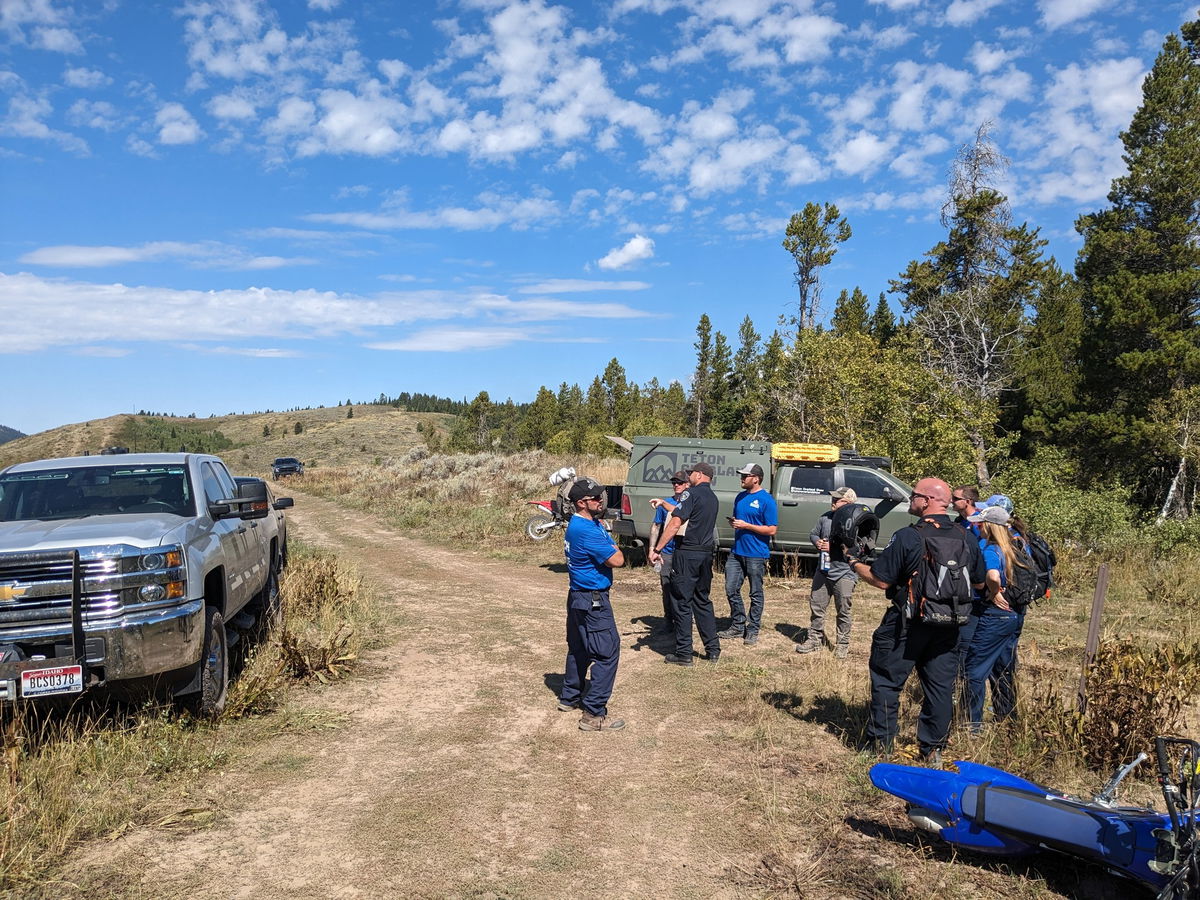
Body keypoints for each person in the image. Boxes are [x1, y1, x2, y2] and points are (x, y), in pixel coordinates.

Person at [847, 478, 986, 762]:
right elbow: (981, 584)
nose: (911, 499)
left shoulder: (909, 536)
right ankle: (933, 749)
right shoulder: (967, 537)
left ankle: (880, 746)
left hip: (907, 624)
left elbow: (881, 580)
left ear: (927, 500)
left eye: (914, 495)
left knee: (887, 681)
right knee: (939, 688)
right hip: (949, 624)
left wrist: (854, 563)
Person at [557, 477, 626, 732]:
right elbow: (617, 559)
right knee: (607, 653)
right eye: (596, 498)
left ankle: (569, 697)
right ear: (581, 503)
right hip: (592, 599)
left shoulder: (583, 523)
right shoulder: (585, 530)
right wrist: (611, 544)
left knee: (579, 648)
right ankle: (594, 714)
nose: (601, 501)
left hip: (578, 596)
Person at [962, 505, 1029, 732]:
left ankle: (971, 725)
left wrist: (994, 591)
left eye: (980, 523)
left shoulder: (991, 549)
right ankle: (1007, 718)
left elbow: (992, 574)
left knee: (974, 669)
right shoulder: (1017, 546)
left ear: (989, 526)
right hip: (1014, 615)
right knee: (1002, 668)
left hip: (995, 615)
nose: (977, 527)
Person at [648, 462, 720, 666]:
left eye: (691, 474)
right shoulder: (712, 498)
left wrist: (657, 549)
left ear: (699, 474)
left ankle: (684, 653)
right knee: (702, 600)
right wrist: (664, 503)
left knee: (681, 602)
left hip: (687, 554)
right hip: (705, 554)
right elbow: (681, 511)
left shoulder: (691, 494)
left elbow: (675, 522)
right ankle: (713, 649)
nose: (688, 478)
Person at [719, 463, 778, 646]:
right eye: (742, 475)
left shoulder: (767, 500)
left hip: (756, 554)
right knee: (731, 589)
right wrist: (735, 524)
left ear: (756, 478)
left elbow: (771, 529)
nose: (742, 478)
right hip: (737, 551)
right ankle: (737, 625)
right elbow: (741, 521)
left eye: (745, 475)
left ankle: (752, 629)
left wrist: (747, 526)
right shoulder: (740, 497)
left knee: (755, 593)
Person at [797, 486, 859, 658]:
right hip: (823, 571)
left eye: (837, 499)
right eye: (833, 498)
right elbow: (813, 534)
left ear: (848, 503)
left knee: (843, 610)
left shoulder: (857, 521)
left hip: (845, 573)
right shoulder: (826, 517)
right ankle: (814, 639)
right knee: (817, 606)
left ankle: (842, 645)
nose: (832, 502)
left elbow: (860, 548)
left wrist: (835, 547)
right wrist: (817, 542)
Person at [648, 471, 689, 635]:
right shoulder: (665, 503)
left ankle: (683, 620)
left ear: (687, 484)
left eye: (679, 482)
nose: (676, 485)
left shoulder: (689, 502)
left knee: (683, 588)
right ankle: (668, 620)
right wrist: (652, 548)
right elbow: (656, 526)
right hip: (666, 552)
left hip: (683, 552)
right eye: (674, 482)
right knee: (666, 586)